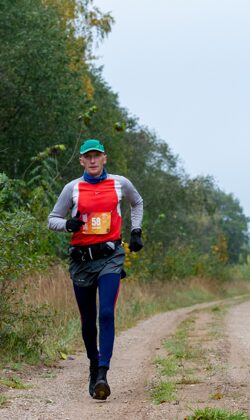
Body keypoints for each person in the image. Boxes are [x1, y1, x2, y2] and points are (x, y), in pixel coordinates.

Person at [48, 139, 144, 400]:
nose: (92, 160)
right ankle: (93, 362)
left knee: (106, 313)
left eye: (97, 156)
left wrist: (136, 230)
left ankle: (103, 372)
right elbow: (52, 219)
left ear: (104, 158)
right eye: (88, 156)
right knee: (88, 320)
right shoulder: (72, 188)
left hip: (110, 257)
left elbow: (137, 202)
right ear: (81, 160)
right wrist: (67, 224)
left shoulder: (120, 183)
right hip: (82, 261)